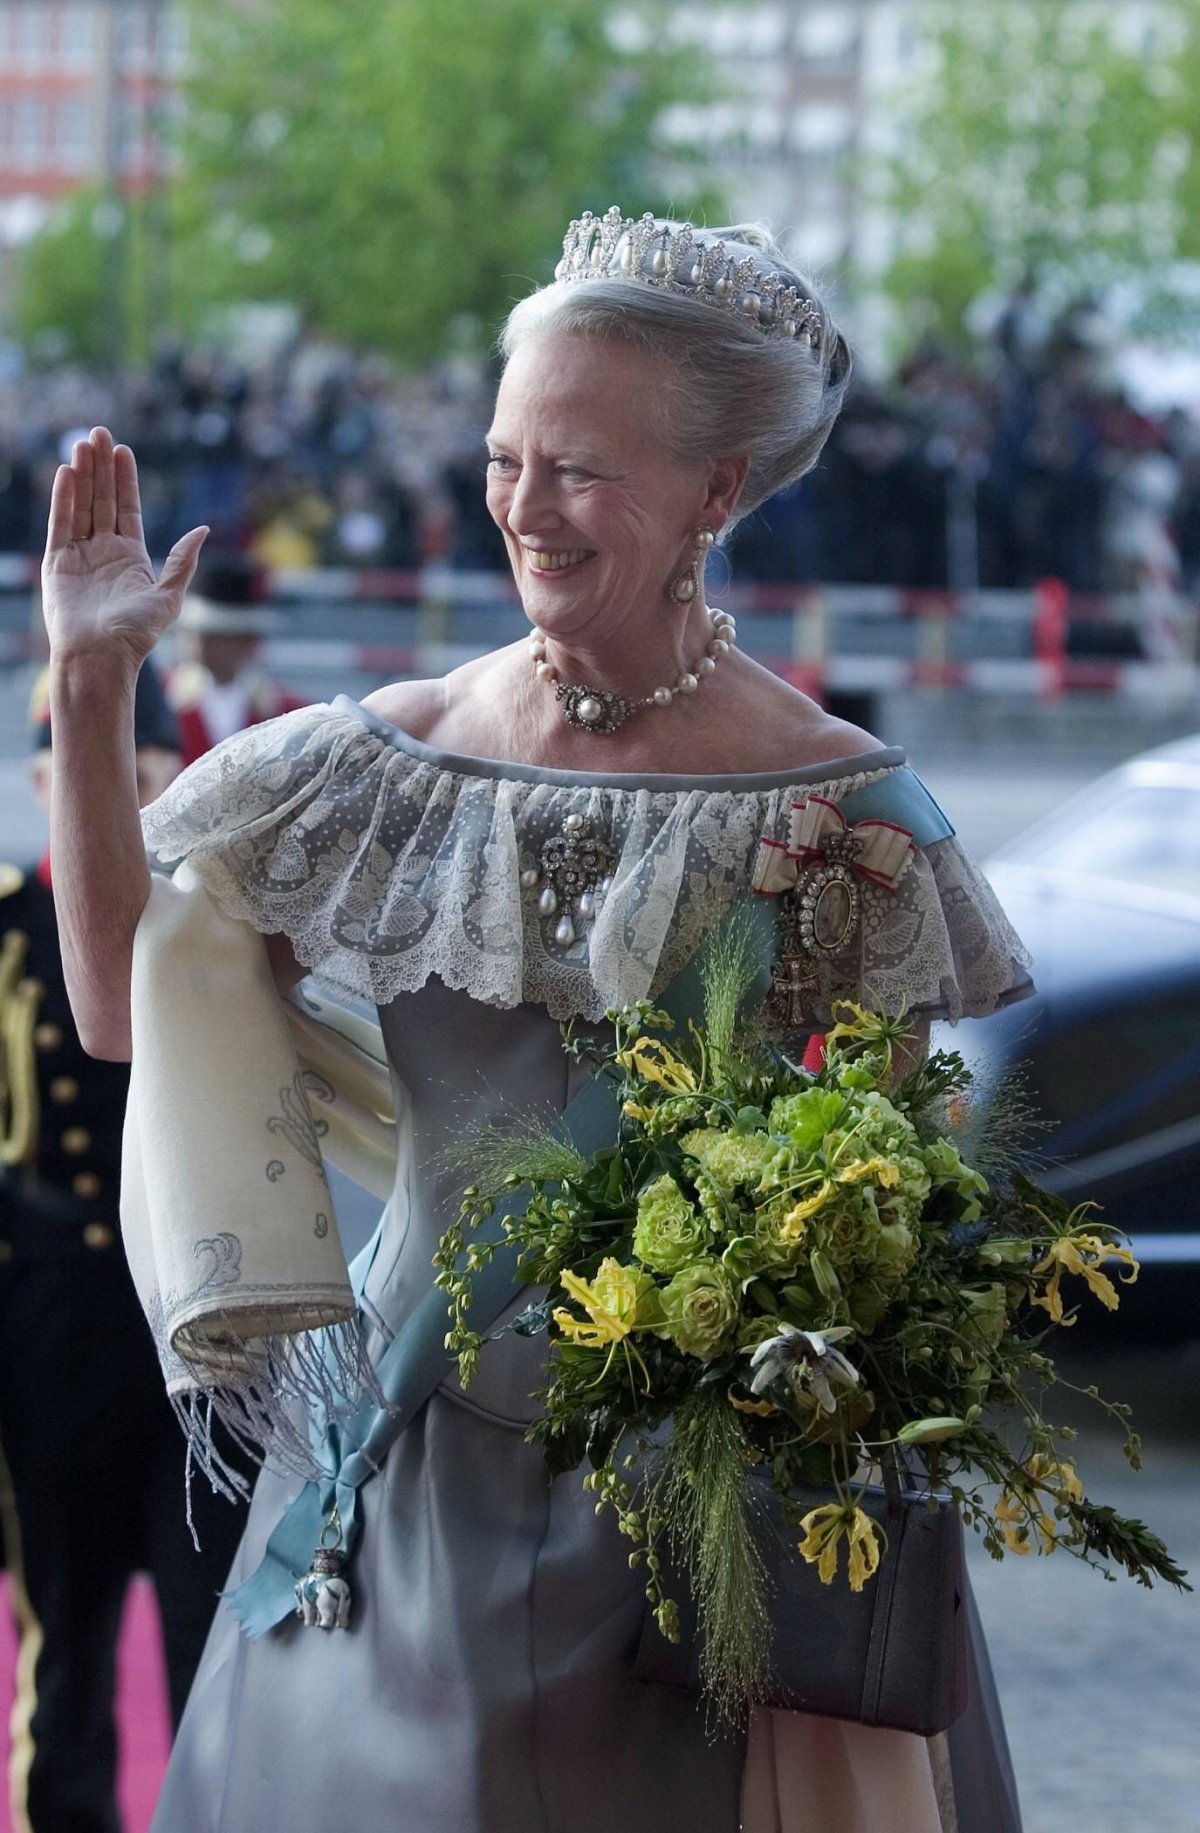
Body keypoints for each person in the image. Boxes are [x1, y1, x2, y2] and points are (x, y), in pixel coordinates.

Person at [40, 209, 1033, 1833]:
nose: (520, 504)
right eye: (507, 456)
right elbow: (116, 1007)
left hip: (703, 1515)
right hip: (399, 1489)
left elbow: (895, 1194)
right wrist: (88, 691)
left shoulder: (846, 812)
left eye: (578, 466)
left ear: (718, 492)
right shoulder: (386, 761)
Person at [0, 662, 248, 1833]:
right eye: (76, 775)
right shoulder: (5, 929)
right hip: (54, 1327)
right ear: (46, 781)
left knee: (216, 1638)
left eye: (137, 774)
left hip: (200, 1332)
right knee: (68, 1637)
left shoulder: (218, 933)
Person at [166, 552, 305, 766]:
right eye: (191, 632)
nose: (198, 642)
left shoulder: (287, 712)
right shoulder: (157, 701)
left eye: (214, 634)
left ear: (246, 640)